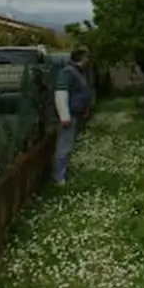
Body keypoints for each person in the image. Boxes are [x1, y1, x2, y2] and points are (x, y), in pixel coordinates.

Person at [53, 49, 92, 186]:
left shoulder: (79, 73)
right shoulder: (68, 72)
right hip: (69, 116)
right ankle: (59, 178)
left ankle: (64, 174)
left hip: (77, 114)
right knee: (64, 146)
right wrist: (64, 116)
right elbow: (61, 93)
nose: (89, 60)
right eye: (87, 57)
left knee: (68, 145)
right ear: (81, 58)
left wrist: (85, 109)